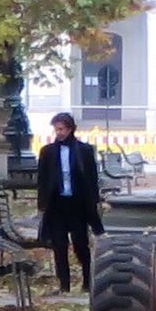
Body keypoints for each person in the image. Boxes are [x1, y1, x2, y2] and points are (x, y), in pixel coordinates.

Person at [36, 112, 103, 292]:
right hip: (57, 204)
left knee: (81, 244)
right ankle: (64, 284)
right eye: (56, 129)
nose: (59, 133)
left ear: (70, 129)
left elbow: (91, 178)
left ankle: (87, 281)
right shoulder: (48, 152)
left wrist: (94, 202)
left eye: (62, 129)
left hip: (77, 204)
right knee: (59, 245)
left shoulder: (84, 151)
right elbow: (42, 179)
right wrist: (42, 204)